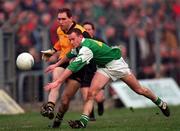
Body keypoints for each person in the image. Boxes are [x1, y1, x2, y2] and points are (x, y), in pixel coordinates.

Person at [44, 28, 170, 129]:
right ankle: (83, 122)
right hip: (104, 68)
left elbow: (73, 66)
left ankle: (160, 102)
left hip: (116, 64)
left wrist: (58, 81)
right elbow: (70, 54)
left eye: (73, 39)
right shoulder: (80, 45)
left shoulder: (86, 49)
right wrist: (56, 64)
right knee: (91, 93)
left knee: (139, 90)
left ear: (80, 37)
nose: (71, 42)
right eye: (70, 40)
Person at [40, 8, 96, 128]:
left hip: (78, 66)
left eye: (64, 19)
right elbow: (60, 43)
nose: (61, 21)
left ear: (71, 18)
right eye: (59, 19)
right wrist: (52, 51)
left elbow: (90, 46)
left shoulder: (81, 31)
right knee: (56, 79)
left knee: (65, 100)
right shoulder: (59, 30)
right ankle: (50, 107)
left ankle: (58, 120)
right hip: (64, 61)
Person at [83, 21, 105, 116]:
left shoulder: (99, 41)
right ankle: (91, 116)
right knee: (87, 96)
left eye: (89, 29)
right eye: (85, 29)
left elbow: (106, 53)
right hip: (85, 73)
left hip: (97, 73)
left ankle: (100, 104)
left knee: (98, 97)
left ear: (93, 31)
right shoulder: (79, 43)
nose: (87, 31)